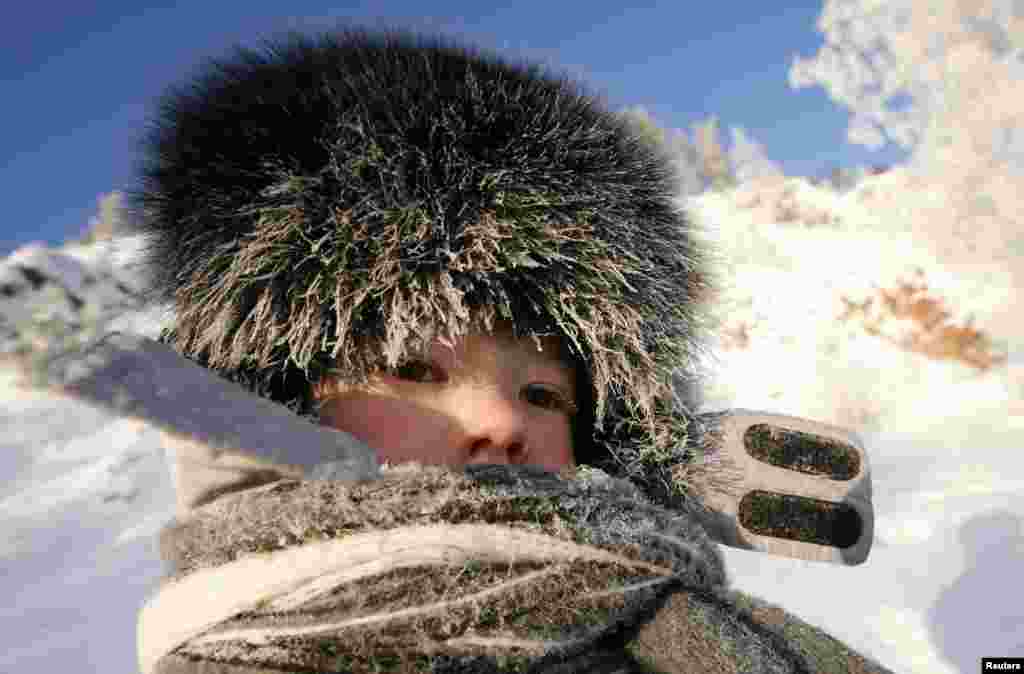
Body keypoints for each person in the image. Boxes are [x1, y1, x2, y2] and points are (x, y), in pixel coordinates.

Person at [130, 25, 895, 673]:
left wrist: (660, 472)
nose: (503, 421)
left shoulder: (664, 607)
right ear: (280, 395)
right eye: (414, 369)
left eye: (543, 394)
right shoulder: (249, 646)